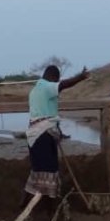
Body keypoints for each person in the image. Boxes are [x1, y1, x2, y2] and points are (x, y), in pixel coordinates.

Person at [23, 64, 89, 202]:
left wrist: (59, 133)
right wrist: (81, 77)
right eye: (57, 80)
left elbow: (48, 114)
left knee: (38, 170)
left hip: (36, 135)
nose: (57, 83)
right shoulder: (47, 87)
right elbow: (64, 85)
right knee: (50, 170)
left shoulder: (35, 90)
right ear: (54, 77)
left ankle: (29, 201)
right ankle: (48, 205)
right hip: (43, 135)